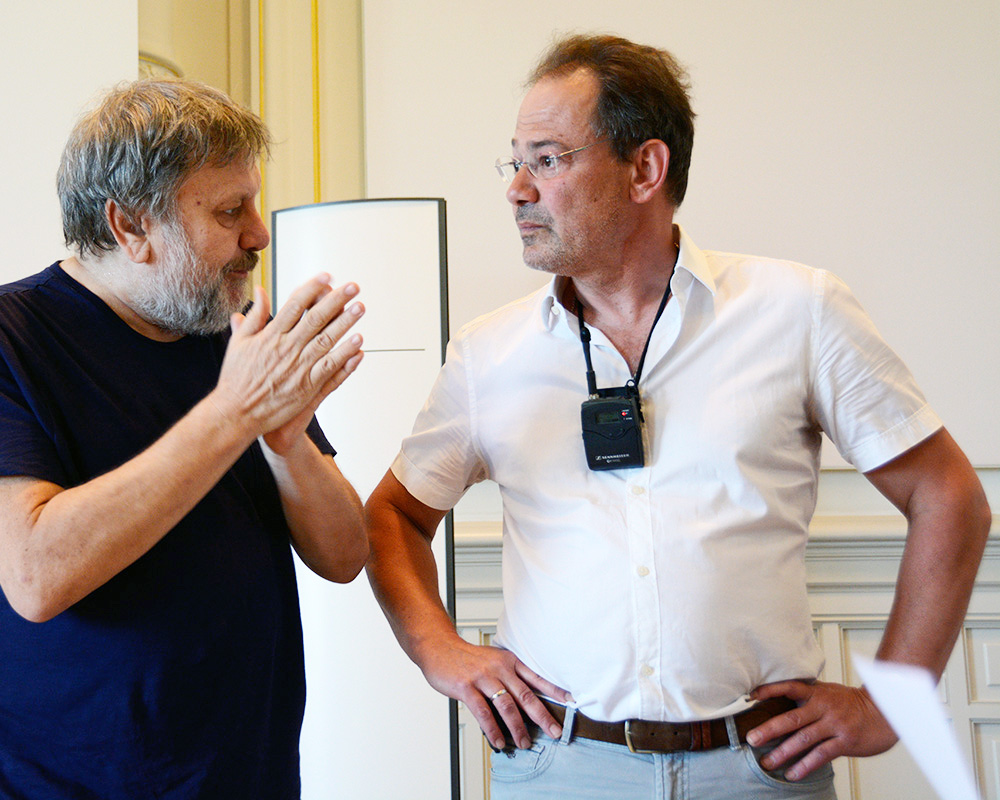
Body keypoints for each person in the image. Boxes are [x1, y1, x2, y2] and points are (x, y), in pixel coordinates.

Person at [365, 33, 991, 799]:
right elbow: (392, 515)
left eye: (550, 159)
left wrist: (894, 698)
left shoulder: (798, 311)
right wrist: (440, 651)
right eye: (516, 161)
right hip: (560, 769)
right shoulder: (488, 353)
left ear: (645, 169)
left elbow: (949, 496)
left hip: (758, 769)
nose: (518, 189)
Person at [0, 78, 367, 799]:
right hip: (55, 784)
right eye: (230, 210)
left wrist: (286, 441)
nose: (258, 233)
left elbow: (347, 554)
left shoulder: (233, 332)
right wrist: (233, 414)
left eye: (252, 203)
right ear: (130, 226)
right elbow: (37, 575)